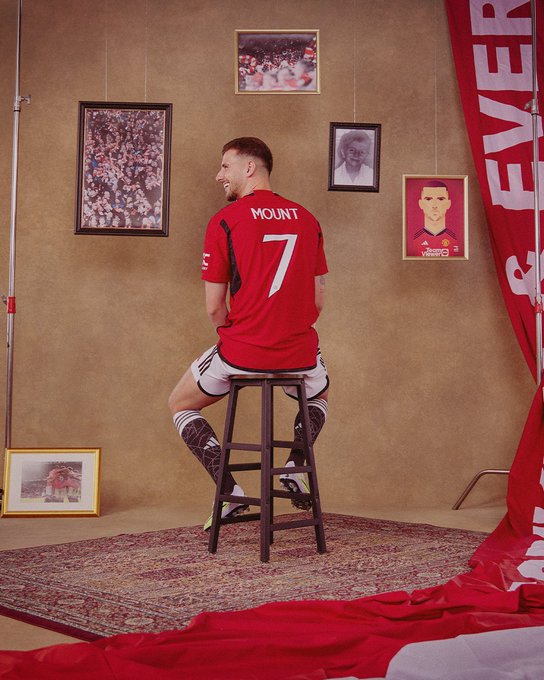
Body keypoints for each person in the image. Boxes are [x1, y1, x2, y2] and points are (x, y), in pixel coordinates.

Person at [168, 137, 329, 531]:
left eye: (225, 166)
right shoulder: (307, 219)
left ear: (250, 168)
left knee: (179, 403)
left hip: (244, 352)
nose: (218, 175)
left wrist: (236, 335)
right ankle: (293, 466)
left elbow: (213, 307)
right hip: (299, 354)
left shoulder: (225, 220)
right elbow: (318, 297)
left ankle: (231, 491)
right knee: (320, 392)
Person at [409, 180, 461, 257]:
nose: (434, 205)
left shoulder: (457, 241)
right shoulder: (412, 242)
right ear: (421, 204)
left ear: (448, 204)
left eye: (440, 199)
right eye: (428, 199)